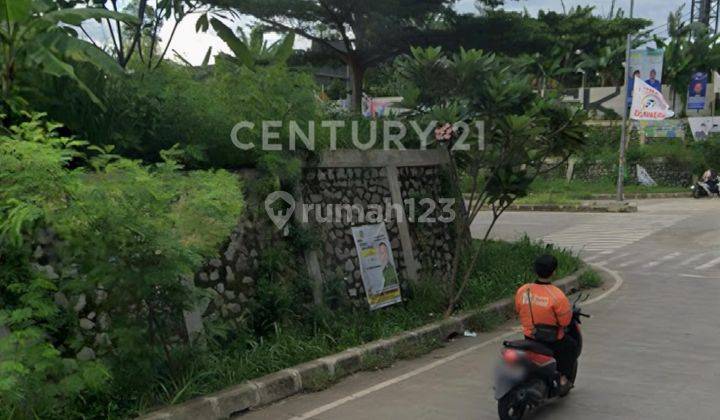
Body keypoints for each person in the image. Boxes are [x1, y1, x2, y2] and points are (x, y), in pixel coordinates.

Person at [515, 255, 577, 389]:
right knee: (571, 346)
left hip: (530, 336)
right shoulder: (557, 295)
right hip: (552, 340)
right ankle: (562, 378)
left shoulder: (523, 290)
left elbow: (518, 309)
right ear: (554, 272)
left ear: (535, 270)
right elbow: (565, 322)